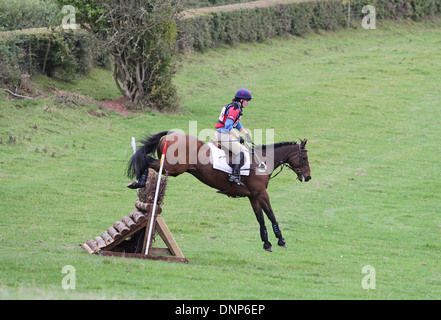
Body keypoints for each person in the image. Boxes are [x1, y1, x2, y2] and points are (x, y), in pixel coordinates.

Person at [215, 89, 253, 186]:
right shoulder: (235, 109)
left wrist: (246, 134)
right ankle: (234, 175)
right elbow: (228, 125)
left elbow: (237, 124)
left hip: (223, 134)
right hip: (223, 135)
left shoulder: (236, 107)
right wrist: (238, 136)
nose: (248, 103)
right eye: (247, 101)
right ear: (241, 100)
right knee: (240, 151)